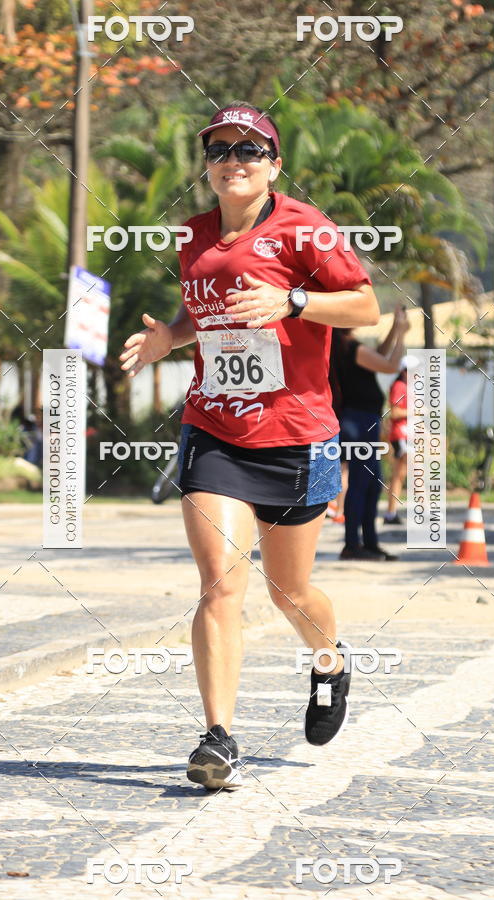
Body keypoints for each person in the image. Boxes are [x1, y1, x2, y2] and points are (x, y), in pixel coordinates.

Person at [119, 102, 380, 790]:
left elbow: (364, 307)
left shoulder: (306, 229)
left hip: (296, 435)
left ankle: (330, 663)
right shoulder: (194, 236)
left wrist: (293, 302)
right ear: (206, 164)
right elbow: (195, 315)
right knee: (219, 584)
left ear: (274, 164)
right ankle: (218, 738)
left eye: (250, 150)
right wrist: (166, 340)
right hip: (215, 430)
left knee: (289, 592)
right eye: (221, 149)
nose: (234, 160)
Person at [330, 306, 409, 561]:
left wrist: (395, 329)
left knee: (372, 485)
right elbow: (389, 365)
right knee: (362, 484)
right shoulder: (349, 348)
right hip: (358, 421)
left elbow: (379, 355)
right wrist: (402, 335)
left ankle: (368, 542)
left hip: (362, 420)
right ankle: (353, 544)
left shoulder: (346, 346)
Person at [383, 355, 417, 525]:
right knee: (402, 475)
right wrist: (416, 411)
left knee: (402, 475)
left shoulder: (406, 386)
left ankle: (391, 513)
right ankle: (391, 513)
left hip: (406, 434)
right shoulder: (399, 386)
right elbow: (395, 412)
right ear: (404, 371)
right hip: (400, 435)